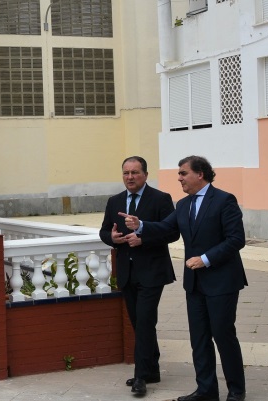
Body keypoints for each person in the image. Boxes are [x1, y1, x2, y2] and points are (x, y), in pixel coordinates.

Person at [124, 155, 247, 401]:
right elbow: (167, 228)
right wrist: (141, 226)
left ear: (200, 174)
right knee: (198, 338)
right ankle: (206, 390)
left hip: (222, 281)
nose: (179, 178)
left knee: (223, 335)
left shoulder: (224, 200)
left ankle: (236, 390)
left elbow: (236, 240)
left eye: (183, 173)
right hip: (194, 283)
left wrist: (206, 258)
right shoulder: (183, 204)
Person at [99, 156, 179, 397]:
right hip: (126, 272)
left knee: (144, 321)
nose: (130, 177)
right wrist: (111, 239)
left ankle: (141, 376)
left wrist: (143, 236)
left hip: (152, 272)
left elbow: (173, 232)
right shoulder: (115, 201)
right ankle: (152, 368)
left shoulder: (160, 199)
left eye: (135, 172)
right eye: (126, 173)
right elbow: (104, 230)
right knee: (140, 323)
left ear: (145, 174)